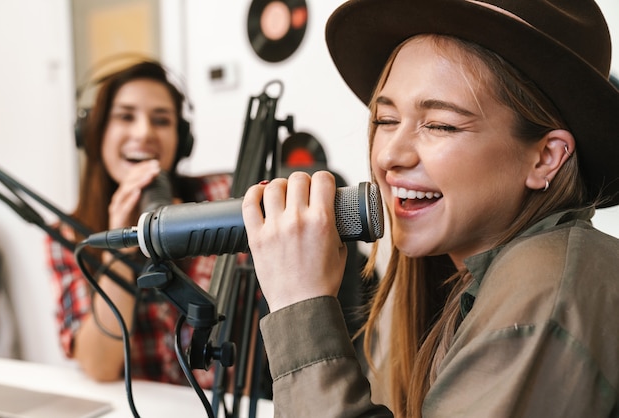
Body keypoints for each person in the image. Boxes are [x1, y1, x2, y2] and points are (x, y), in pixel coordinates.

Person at [241, 0, 619, 416]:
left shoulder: (545, 286)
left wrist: (302, 308)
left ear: (546, 157)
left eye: (440, 125)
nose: (390, 155)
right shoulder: (459, 283)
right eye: (385, 120)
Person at [46, 60, 232, 387]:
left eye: (161, 120)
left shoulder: (220, 197)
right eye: (125, 116)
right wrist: (121, 253)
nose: (144, 132)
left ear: (182, 140)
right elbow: (100, 366)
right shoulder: (67, 235)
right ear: (94, 132)